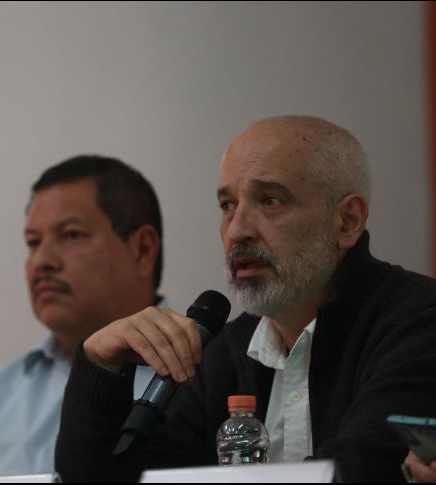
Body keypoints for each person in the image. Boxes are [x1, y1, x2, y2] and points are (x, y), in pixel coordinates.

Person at [55, 115, 436, 483]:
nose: (237, 231)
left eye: (270, 200)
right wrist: (100, 369)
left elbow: (359, 471)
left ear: (347, 221)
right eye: (227, 205)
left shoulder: (419, 322)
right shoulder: (223, 353)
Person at [0, 155, 166, 477]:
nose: (42, 261)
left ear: (142, 250)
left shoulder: (198, 374)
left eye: (71, 235)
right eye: (32, 242)